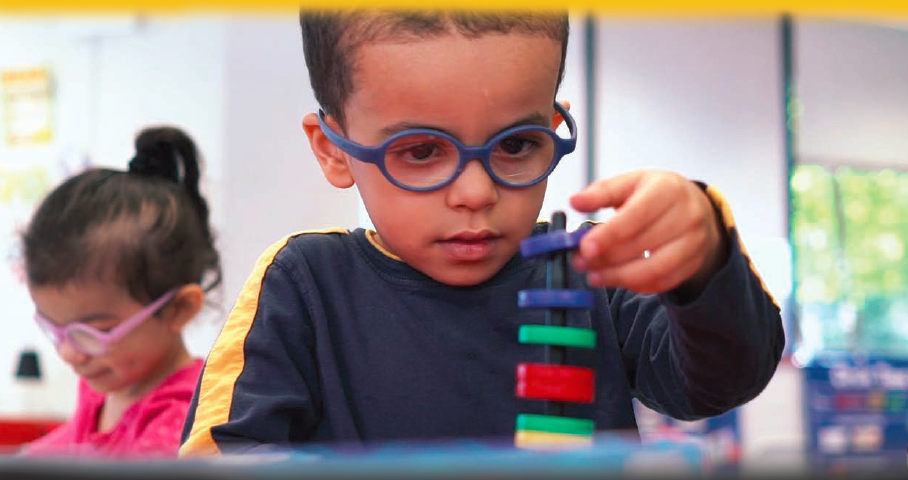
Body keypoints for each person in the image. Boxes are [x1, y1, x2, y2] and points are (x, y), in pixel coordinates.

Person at [180, 10, 784, 456]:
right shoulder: (304, 283)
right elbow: (224, 451)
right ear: (333, 150)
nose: (476, 192)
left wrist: (706, 264)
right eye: (419, 151)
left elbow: (722, 381)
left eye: (517, 145)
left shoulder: (592, 270)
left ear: (552, 127)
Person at [21, 126, 221, 459]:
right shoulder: (105, 383)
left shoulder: (185, 418)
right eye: (53, 328)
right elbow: (69, 441)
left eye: (95, 331)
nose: (70, 354)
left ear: (179, 308)